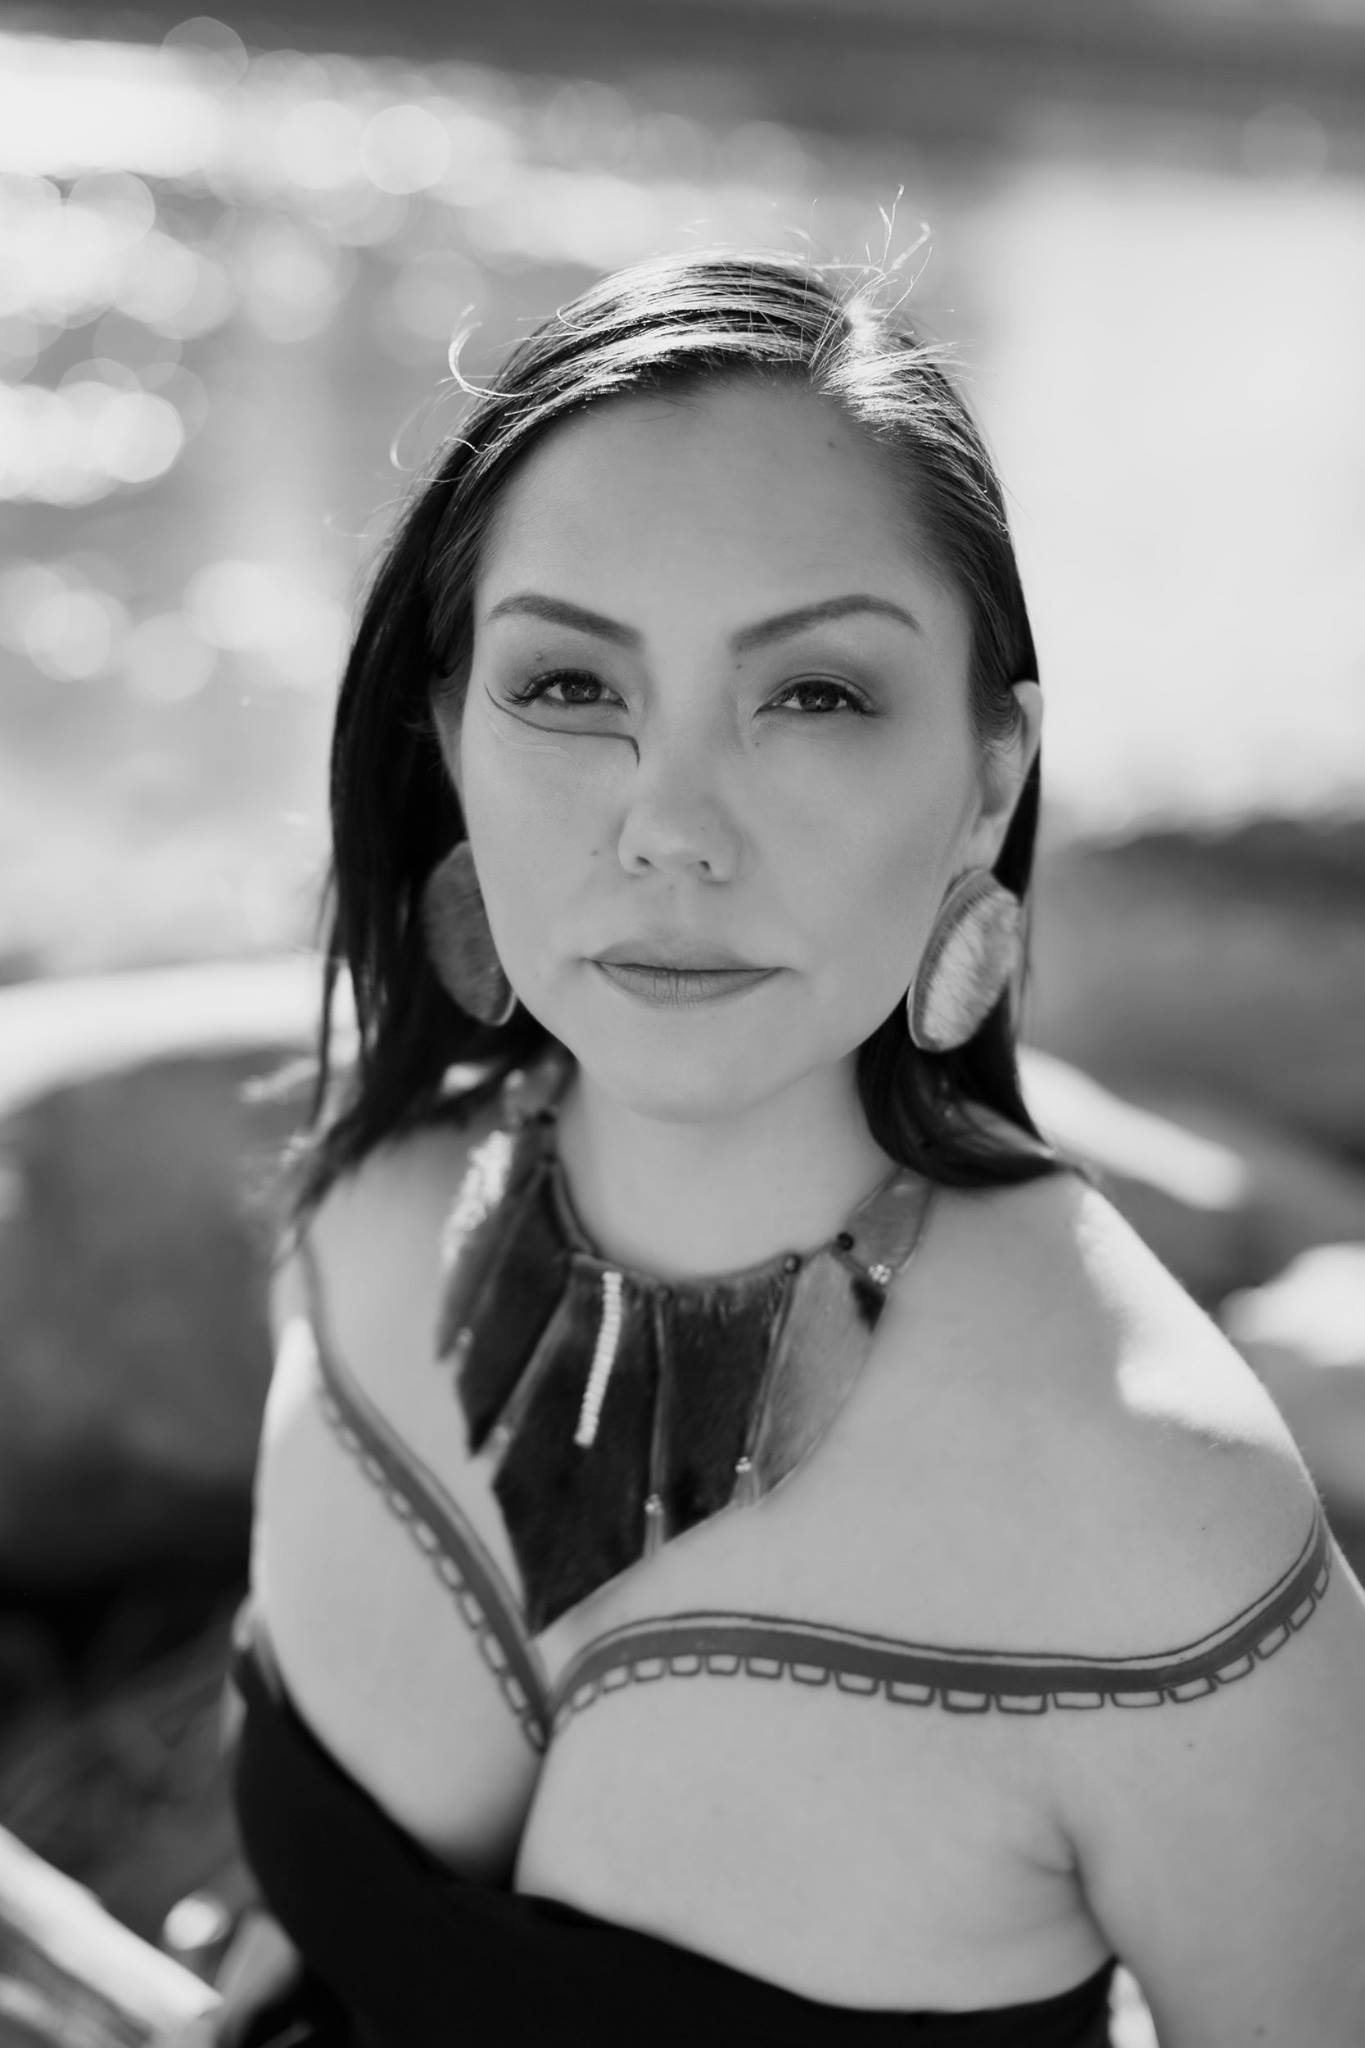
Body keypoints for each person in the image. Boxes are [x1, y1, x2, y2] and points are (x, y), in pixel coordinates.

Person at [182, 248, 1365, 2046]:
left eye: (813, 693)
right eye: (566, 684)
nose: (672, 826)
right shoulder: (364, 1209)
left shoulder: (1158, 1514)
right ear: (445, 736)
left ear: (987, 774)